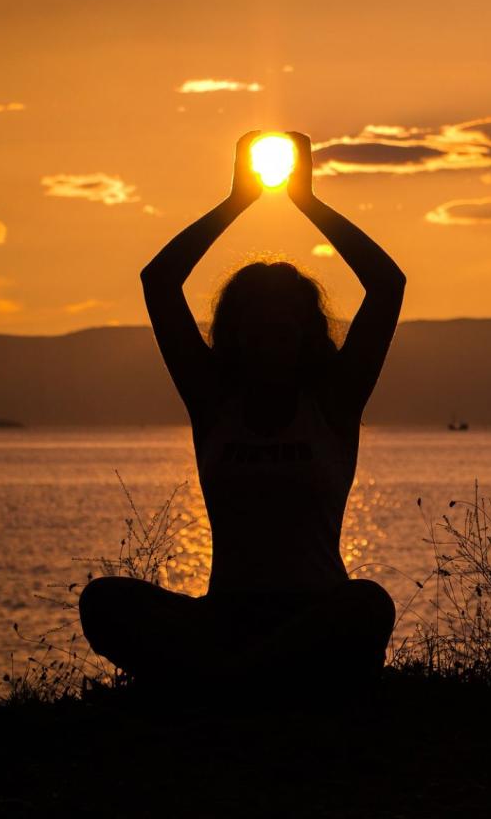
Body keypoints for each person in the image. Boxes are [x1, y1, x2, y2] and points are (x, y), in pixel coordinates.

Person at [78, 130, 403, 693]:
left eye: (282, 325)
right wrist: (237, 202)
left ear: (305, 334)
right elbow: (158, 282)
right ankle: (250, 680)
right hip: (224, 619)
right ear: (236, 333)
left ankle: (225, 683)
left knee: (368, 605)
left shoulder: (332, 403)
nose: (269, 337)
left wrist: (307, 202)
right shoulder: (212, 402)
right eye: (255, 324)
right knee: (103, 601)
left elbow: (386, 284)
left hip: (313, 616)